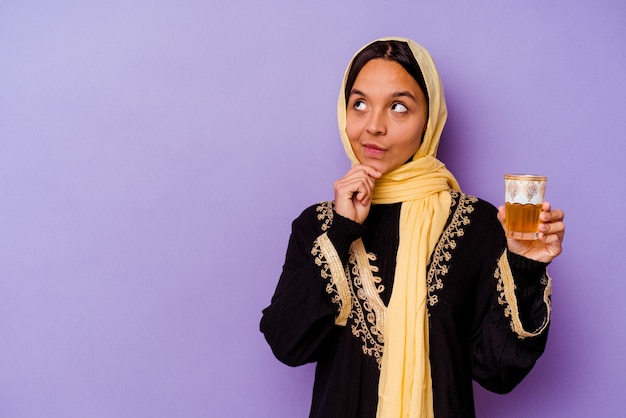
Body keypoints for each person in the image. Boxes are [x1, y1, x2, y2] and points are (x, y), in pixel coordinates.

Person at [260, 37, 565, 418]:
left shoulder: (477, 225)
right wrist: (340, 231)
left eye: (399, 107)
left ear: (429, 119)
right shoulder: (317, 225)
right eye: (359, 104)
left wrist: (525, 266)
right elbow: (289, 345)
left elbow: (497, 371)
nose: (373, 126)